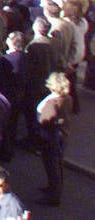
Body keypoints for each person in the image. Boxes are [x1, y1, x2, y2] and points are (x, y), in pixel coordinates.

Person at [34, 70, 72, 206]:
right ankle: (54, 188)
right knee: (57, 164)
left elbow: (45, 121)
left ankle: (54, 196)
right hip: (61, 136)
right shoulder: (67, 98)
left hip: (50, 138)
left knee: (51, 165)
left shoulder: (52, 103)